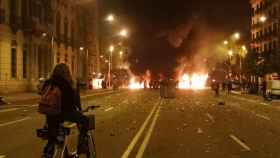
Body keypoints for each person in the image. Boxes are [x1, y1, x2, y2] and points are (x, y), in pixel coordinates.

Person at [41, 63, 89, 157]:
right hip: (64, 114)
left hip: (50, 115)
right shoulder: (68, 83)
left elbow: (42, 93)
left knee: (53, 132)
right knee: (85, 120)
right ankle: (82, 145)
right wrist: (79, 110)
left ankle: (49, 148)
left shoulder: (49, 82)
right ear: (67, 72)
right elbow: (72, 102)